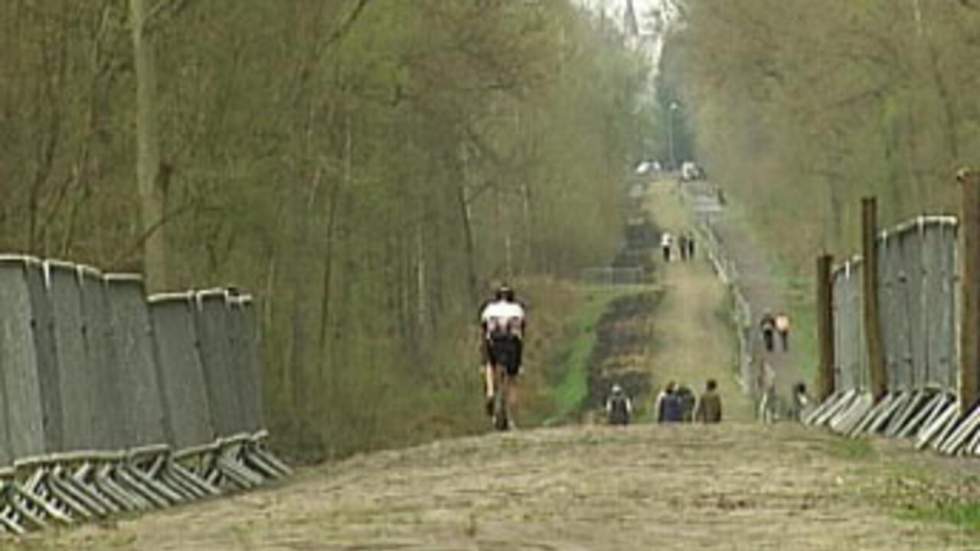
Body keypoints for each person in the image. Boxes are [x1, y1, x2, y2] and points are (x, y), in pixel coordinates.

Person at [480, 284, 526, 425]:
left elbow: (484, 328)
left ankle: (490, 391)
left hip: (494, 341)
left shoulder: (489, 309)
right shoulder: (518, 309)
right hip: (512, 344)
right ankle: (511, 416)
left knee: (489, 365)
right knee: (513, 379)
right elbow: (522, 330)